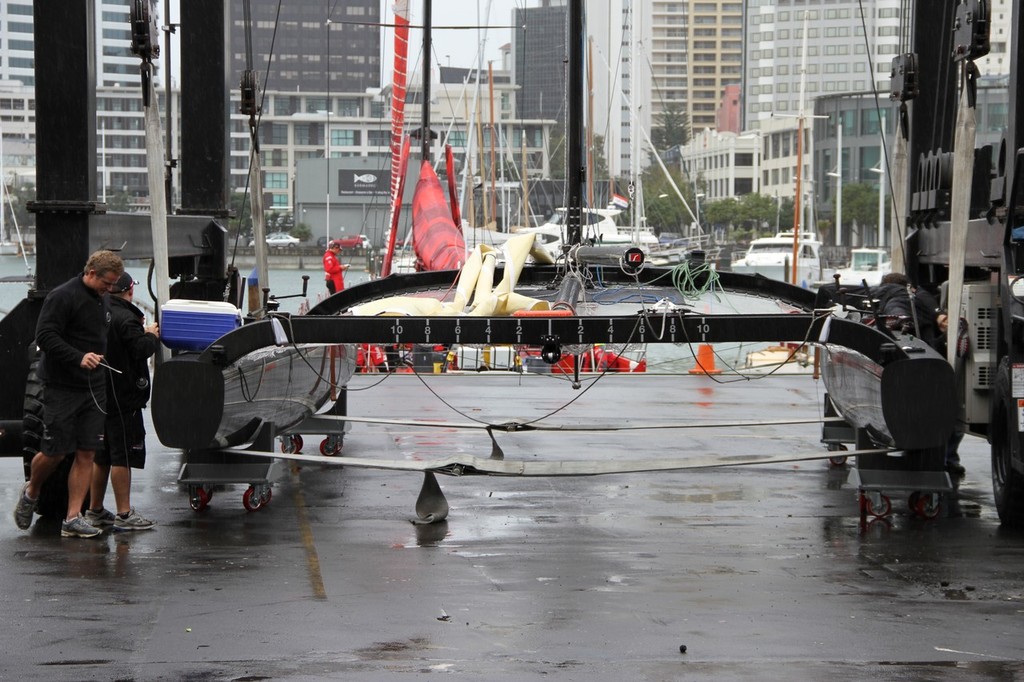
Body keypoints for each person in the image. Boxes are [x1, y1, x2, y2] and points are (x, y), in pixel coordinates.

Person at [13, 250, 124, 538]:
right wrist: (78, 357)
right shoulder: (62, 296)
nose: (110, 289)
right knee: (55, 452)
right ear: (90, 274)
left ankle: (72, 517)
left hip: (94, 385)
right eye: (107, 283)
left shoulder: (104, 299)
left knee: (87, 451)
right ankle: (31, 491)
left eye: (114, 285)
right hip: (62, 386)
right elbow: (46, 336)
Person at [85, 272, 161, 531]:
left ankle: (94, 509)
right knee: (122, 456)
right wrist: (150, 334)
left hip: (101, 395)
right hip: (123, 398)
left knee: (101, 456)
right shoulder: (127, 318)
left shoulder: (99, 313)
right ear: (129, 291)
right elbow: (140, 349)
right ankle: (124, 513)